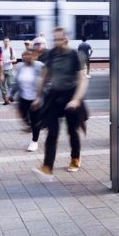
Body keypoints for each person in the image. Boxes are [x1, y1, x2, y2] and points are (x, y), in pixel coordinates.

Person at [31, 28, 88, 180]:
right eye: (54, 39)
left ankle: (75, 158)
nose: (56, 42)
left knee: (72, 130)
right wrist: (38, 97)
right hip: (55, 95)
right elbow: (44, 77)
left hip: (71, 95)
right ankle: (47, 167)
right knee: (52, 132)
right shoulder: (51, 55)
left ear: (65, 40)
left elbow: (82, 79)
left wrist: (76, 99)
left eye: (58, 39)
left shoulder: (75, 55)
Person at [13, 48, 44, 152]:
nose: (27, 57)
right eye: (24, 55)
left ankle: (34, 141)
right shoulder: (19, 66)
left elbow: (46, 83)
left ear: (34, 56)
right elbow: (15, 82)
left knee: (35, 120)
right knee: (23, 116)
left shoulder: (40, 66)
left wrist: (38, 97)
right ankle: (34, 126)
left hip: (35, 99)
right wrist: (10, 95)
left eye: (29, 55)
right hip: (23, 97)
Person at [0, 37, 16, 104]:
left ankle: (10, 97)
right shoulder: (0, 50)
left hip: (9, 69)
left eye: (7, 41)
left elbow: (15, 60)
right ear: (3, 42)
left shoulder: (11, 49)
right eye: (5, 41)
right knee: (2, 86)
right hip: (1, 70)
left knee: (10, 84)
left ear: (9, 42)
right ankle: (6, 100)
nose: (6, 43)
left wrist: (9, 61)